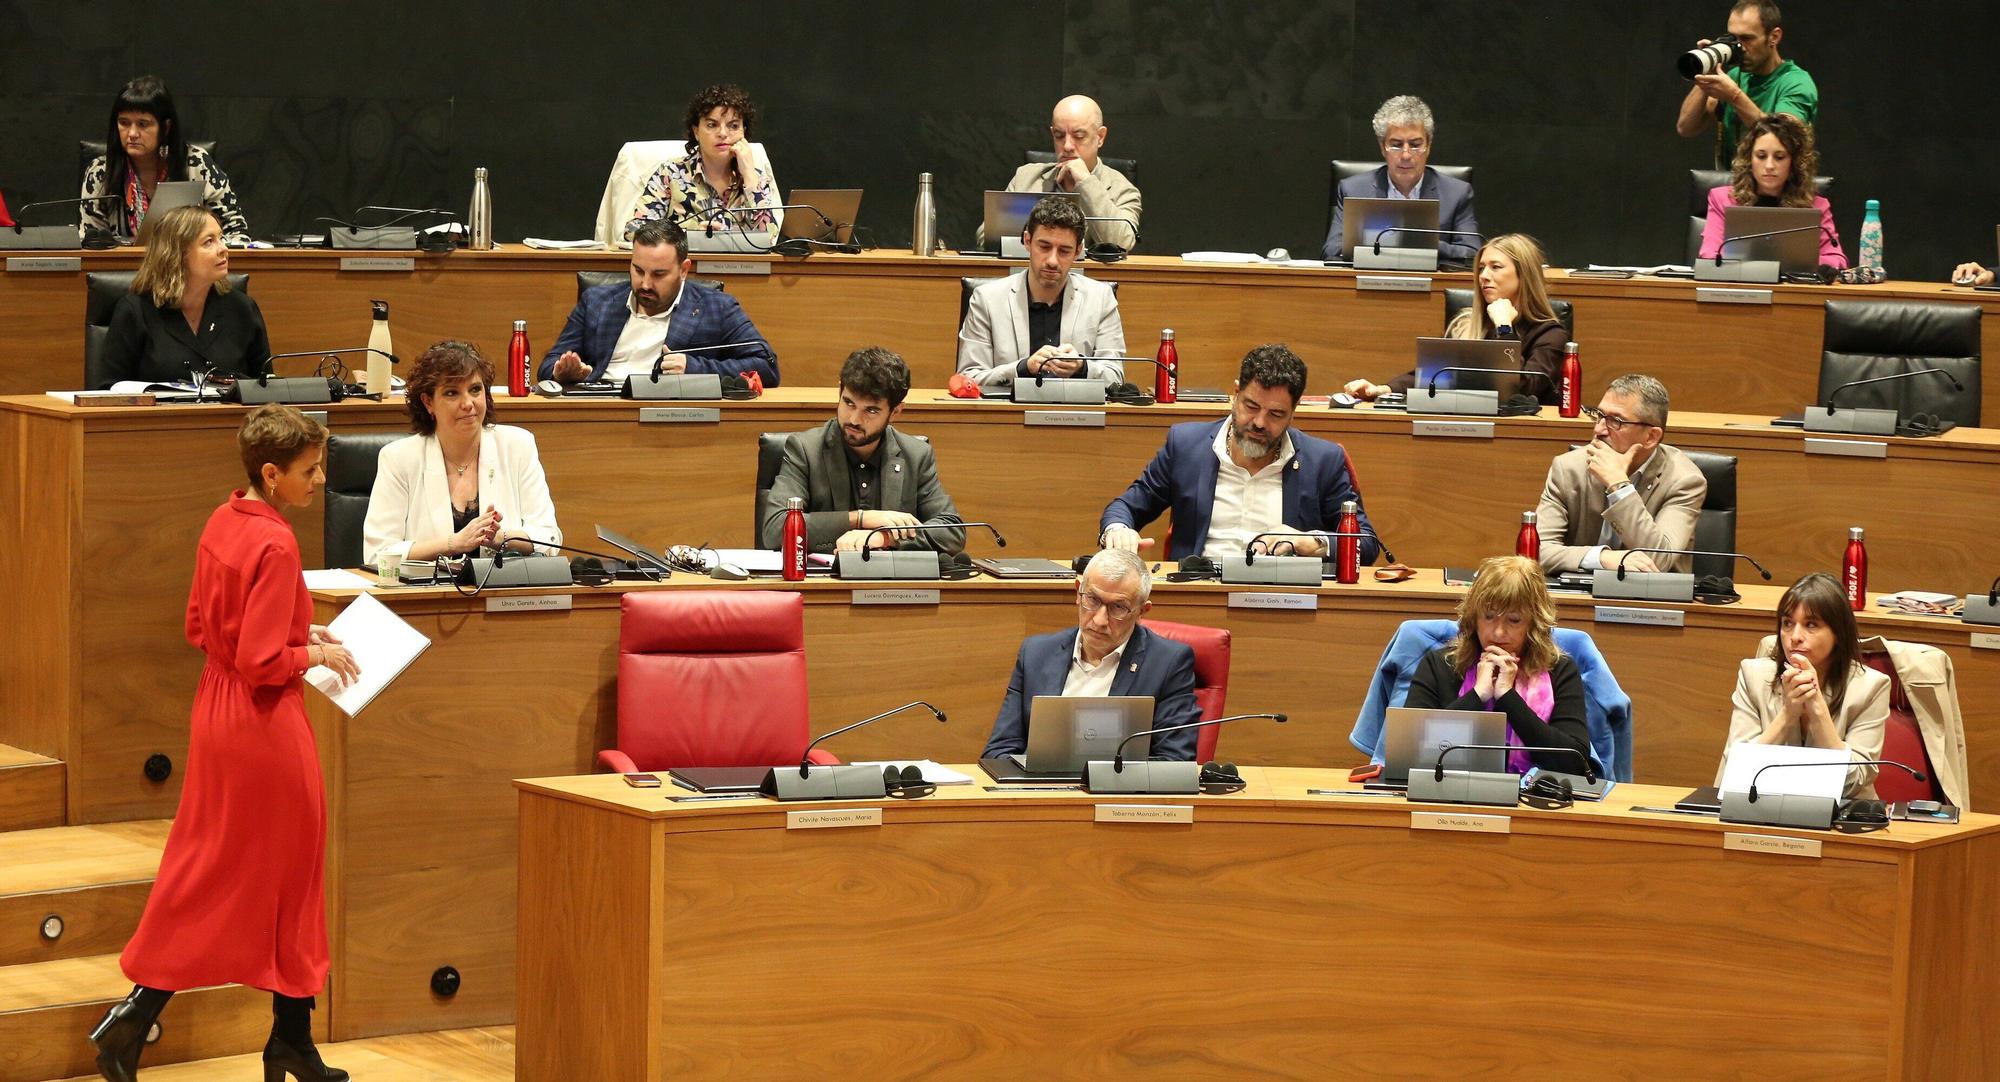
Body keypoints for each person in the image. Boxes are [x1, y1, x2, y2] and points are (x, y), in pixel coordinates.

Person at [90, 405, 359, 1082]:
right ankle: (150, 1025)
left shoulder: (225, 517)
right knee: (287, 877)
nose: (321, 480)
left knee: (211, 869)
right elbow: (266, 661)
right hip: (264, 724)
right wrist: (313, 656)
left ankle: (280, 1040)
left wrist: (308, 634)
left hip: (216, 714)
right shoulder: (277, 544)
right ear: (271, 474)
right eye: (310, 470)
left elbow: (203, 626)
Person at [1102, 344, 1381, 563]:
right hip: (1201, 594)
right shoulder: (1187, 445)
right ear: (1235, 394)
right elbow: (1125, 507)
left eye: (1275, 414)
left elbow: (1366, 543)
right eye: (1251, 406)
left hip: (1285, 601)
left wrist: (1309, 542)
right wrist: (1118, 530)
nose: (1259, 422)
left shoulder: (1323, 461)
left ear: (1293, 412)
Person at [981, 549, 1203, 761]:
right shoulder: (1036, 653)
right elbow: (998, 751)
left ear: (1141, 612)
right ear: (1077, 592)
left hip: (1118, 796)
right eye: (1093, 600)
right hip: (1042, 792)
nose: (1099, 620)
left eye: (1118, 607)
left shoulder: (1167, 663)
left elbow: (1174, 760)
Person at [364, 341, 561, 568]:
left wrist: (501, 538)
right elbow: (377, 554)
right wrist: (454, 543)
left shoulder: (517, 446)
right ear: (428, 402)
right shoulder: (399, 459)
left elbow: (550, 539)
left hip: (501, 595)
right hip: (428, 596)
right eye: (452, 393)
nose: (468, 403)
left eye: (475, 390)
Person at [760, 347, 965, 554]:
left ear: (895, 412)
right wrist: (861, 518)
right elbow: (776, 529)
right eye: (849, 403)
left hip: (890, 583)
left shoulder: (916, 455)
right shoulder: (805, 449)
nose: (854, 419)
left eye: (871, 410)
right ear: (839, 391)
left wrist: (883, 536)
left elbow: (952, 531)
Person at [1402, 554, 1593, 773]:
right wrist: (1477, 696)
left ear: (1534, 624)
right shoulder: (1440, 665)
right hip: (1449, 795)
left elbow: (1576, 764)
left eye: (1514, 620)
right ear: (1473, 618)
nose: (1498, 632)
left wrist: (1507, 697)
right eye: (1489, 616)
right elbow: (1411, 753)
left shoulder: (1559, 670)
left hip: (1533, 800)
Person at [540, 219, 780, 386]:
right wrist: (564, 371)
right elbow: (547, 366)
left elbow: (766, 367)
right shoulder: (597, 301)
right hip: (601, 405)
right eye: (638, 270)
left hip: (667, 413)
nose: (645, 284)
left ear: (684, 269)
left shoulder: (717, 307)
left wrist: (694, 369)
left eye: (658, 274)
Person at [1715, 572, 1889, 799]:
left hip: (1840, 821)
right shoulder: (1753, 676)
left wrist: (1817, 711)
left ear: (1838, 633)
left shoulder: (1870, 687)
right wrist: (1788, 714)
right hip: (1762, 812)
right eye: (1788, 623)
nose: (1795, 636)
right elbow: (1736, 771)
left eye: (1811, 625)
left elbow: (1853, 781)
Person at [1342, 233, 1565, 401]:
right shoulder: (1466, 324)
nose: (1484, 276)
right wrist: (1384, 389)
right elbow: (1436, 375)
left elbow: (1523, 389)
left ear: (1524, 276)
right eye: (1481, 268)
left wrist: (1505, 328)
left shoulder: (1550, 335)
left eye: (1495, 267)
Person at [1535, 374, 1708, 574]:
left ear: (1651, 437)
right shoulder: (1568, 469)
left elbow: (1658, 560)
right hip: (1580, 597)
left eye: (1615, 421)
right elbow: (1536, 552)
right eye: (1599, 415)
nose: (1598, 429)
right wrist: (1601, 557)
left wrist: (1619, 486)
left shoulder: (1684, 480)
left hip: (1651, 600)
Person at [957, 197, 1126, 390]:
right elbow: (968, 378)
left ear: (1078, 251)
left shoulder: (1101, 298)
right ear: (1027, 241)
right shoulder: (986, 299)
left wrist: (1082, 366)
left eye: (1064, 250)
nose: (1052, 260)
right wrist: (1022, 369)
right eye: (1044, 247)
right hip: (1009, 417)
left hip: (1076, 416)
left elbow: (1115, 377)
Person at [97, 204, 269, 388]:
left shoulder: (242, 309)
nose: (223, 249)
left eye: (221, 238)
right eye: (208, 242)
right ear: (177, 254)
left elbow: (266, 390)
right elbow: (109, 390)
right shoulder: (135, 311)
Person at [81, 76, 249, 244]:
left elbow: (236, 231)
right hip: (120, 268)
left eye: (143, 124)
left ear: (165, 127)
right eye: (124, 123)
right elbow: (91, 243)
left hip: (188, 267)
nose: (132, 133)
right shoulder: (100, 172)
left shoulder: (195, 163)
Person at [1322, 95, 1479, 263]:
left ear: (1429, 146)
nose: (1406, 155)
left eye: (1415, 145)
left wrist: (1424, 244)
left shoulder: (1457, 194)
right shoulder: (1352, 190)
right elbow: (1331, 250)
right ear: (1383, 148)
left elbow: (1472, 253)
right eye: (1396, 145)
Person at [624, 83, 780, 240]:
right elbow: (634, 230)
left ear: (743, 132)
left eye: (733, 126)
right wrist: (689, 237)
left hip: (742, 265)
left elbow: (769, 237)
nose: (723, 133)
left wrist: (749, 175)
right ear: (696, 131)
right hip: (687, 262)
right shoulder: (671, 173)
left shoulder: (755, 178)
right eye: (712, 125)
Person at [1674, 1, 1819, 169]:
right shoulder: (1734, 77)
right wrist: (1707, 72)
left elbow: (1782, 140)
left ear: (1774, 36)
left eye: (1747, 38)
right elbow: (1686, 127)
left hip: (1781, 191)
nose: (1740, 48)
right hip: (1733, 189)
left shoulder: (1796, 82)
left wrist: (1735, 97)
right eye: (1734, 39)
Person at [992, 94, 1141, 250]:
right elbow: (986, 238)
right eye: (1059, 136)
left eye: (1079, 136)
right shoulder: (1026, 178)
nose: (1067, 146)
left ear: (1100, 137)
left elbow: (1120, 244)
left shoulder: (1122, 190)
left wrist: (1086, 182)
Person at [1698, 113, 1845, 269]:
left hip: (1793, 289)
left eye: (1779, 157)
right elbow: (1710, 256)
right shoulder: (1723, 199)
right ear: (1749, 160)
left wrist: (1805, 262)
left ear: (1794, 163)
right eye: (1761, 156)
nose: (1769, 165)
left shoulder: (1816, 206)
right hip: (1740, 288)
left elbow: (1837, 259)